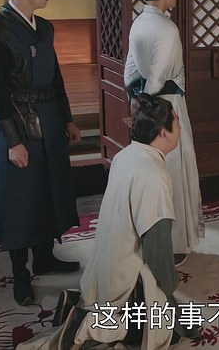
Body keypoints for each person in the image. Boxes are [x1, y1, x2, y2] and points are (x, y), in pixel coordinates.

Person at [18, 94, 200, 350]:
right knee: (170, 330)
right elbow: (156, 250)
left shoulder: (126, 155)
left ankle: (82, 312)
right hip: (125, 276)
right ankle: (87, 328)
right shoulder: (153, 175)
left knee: (183, 319)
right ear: (163, 132)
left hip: (102, 269)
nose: (180, 128)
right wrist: (169, 286)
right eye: (177, 123)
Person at [0, 0, 81, 307]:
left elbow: (56, 77)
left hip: (49, 119)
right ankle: (20, 274)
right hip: (19, 127)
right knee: (20, 200)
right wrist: (12, 142)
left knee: (48, 189)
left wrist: (67, 117)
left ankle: (46, 257)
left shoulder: (45, 28)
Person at [124, 0, 203, 264]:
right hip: (165, 104)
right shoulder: (167, 28)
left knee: (152, 170)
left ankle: (151, 239)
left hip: (146, 103)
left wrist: (135, 98)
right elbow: (158, 76)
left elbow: (131, 67)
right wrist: (149, 99)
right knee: (173, 169)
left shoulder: (138, 22)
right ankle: (174, 243)